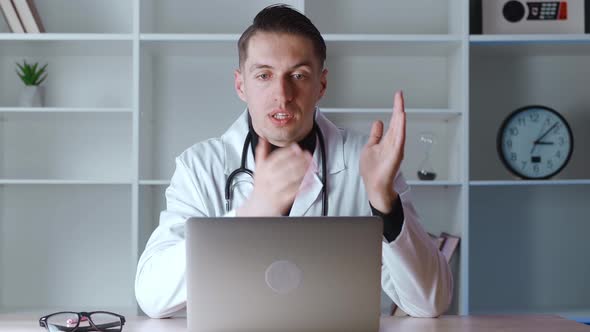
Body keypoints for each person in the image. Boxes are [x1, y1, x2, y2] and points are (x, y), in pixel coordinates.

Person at [135, 4, 452, 319]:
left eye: (298, 75)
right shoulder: (200, 167)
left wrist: (384, 203)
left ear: (322, 85)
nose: (282, 94)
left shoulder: (368, 161)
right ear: (241, 84)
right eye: (264, 75)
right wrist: (250, 214)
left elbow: (430, 302)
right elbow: (152, 296)